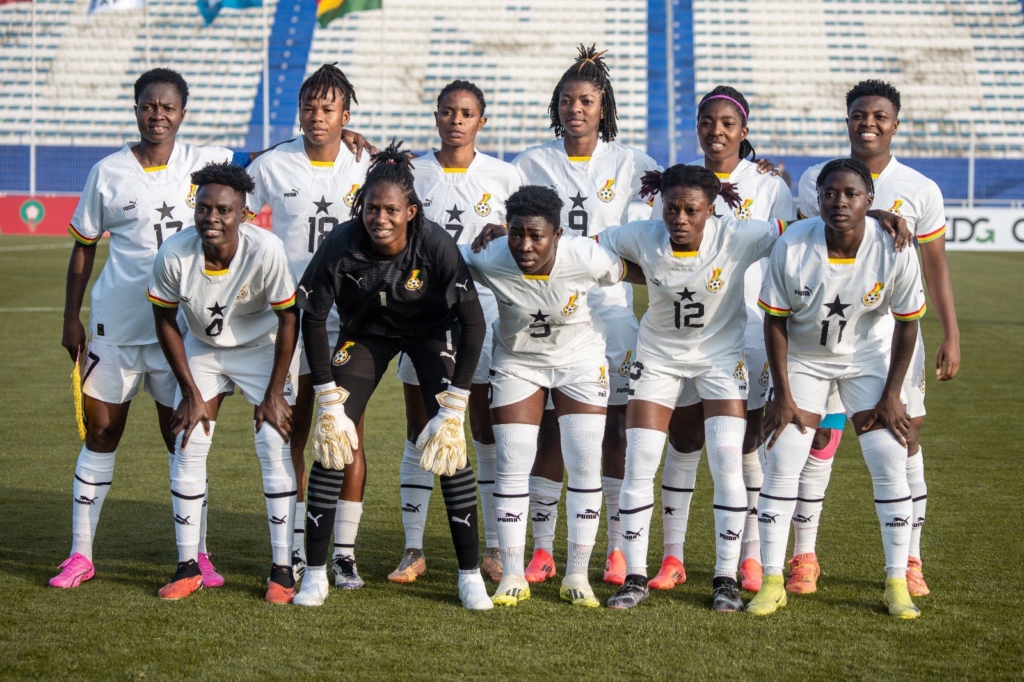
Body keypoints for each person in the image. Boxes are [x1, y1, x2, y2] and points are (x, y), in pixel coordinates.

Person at [51, 68, 248, 590]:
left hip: (179, 332)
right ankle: (80, 555)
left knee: (183, 441)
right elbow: (83, 247)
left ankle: (198, 555)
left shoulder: (204, 163)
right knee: (101, 433)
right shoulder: (108, 172)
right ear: (136, 108)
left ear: (182, 112)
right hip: (116, 325)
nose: (157, 114)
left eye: (168, 107)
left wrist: (343, 138)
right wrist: (71, 317)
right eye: (148, 105)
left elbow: (274, 156)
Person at [291, 142, 491, 610]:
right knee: (333, 437)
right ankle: (315, 573)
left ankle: (469, 576)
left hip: (428, 334)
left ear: (411, 211)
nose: (379, 218)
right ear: (360, 206)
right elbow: (313, 317)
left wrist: (455, 405)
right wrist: (327, 398)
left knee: (448, 444)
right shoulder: (342, 241)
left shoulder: (435, 243)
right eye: (371, 208)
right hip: (365, 336)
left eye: (391, 210)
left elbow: (474, 323)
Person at [790, 80, 959, 596]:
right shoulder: (815, 180)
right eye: (859, 114)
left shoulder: (921, 189)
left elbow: (935, 267)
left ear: (895, 124)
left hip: (892, 340)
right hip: (824, 337)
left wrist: (951, 333)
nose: (869, 123)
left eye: (880, 116)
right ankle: (804, 557)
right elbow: (802, 249)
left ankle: (910, 560)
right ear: (847, 121)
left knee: (903, 438)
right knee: (821, 439)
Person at [597, 164, 786, 611]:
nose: (679, 219)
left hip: (720, 360)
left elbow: (805, 230)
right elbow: (584, 247)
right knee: (640, 461)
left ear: (711, 208)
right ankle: (635, 577)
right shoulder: (641, 235)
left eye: (691, 210)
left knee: (727, 462)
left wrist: (876, 218)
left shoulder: (740, 235)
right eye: (671, 209)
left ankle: (725, 579)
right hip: (658, 359)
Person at [749, 158, 926, 619]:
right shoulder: (792, 244)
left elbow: (907, 324)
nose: (840, 202)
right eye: (830, 193)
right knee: (783, 456)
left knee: (890, 456)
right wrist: (783, 395)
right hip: (805, 360)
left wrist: (892, 394)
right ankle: (772, 581)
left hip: (867, 361)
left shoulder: (894, 246)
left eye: (851, 194)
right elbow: (775, 321)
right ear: (818, 198)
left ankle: (896, 582)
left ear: (870, 200)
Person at [510, 44, 661, 586]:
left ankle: (617, 548)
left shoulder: (634, 164)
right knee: (552, 429)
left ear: (604, 108)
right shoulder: (530, 163)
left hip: (611, 313)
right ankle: (542, 548)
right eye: (567, 100)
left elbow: (683, 204)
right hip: (548, 312)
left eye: (587, 101)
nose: (576, 109)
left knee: (616, 427)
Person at [648, 86, 797, 595]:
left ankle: (749, 558)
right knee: (685, 438)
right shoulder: (679, 179)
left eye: (728, 123)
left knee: (746, 445)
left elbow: (791, 245)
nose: (717, 132)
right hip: (686, 333)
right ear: (697, 127)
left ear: (743, 130)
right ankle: (672, 557)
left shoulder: (768, 184)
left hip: (751, 330)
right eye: (707, 122)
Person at [461, 185, 635, 608]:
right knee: (512, 462)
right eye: (516, 233)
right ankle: (512, 574)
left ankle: (577, 574)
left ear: (558, 234)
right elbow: (438, 256)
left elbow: (634, 271)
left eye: (536, 236)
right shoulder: (488, 255)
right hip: (518, 362)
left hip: (580, 361)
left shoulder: (586, 256)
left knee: (584, 463)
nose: (525, 245)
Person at [147, 162, 300, 603]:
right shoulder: (174, 253)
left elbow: (289, 319)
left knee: (273, 441)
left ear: (243, 214)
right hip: (202, 348)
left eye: (223, 210)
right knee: (188, 440)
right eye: (203, 208)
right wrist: (190, 393)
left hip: (261, 347)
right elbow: (164, 320)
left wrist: (274, 393)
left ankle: (283, 569)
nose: (211, 218)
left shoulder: (266, 249)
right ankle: (187, 566)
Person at [389, 80, 521, 585]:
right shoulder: (413, 172)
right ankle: (412, 548)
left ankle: (493, 547)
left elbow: (526, 233)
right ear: (437, 117)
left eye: (466, 113)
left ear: (481, 121)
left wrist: (507, 231)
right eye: (448, 111)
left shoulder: (504, 175)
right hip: (420, 315)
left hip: (482, 316)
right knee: (420, 429)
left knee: (484, 432)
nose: (456, 120)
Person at [246, 63, 371, 586]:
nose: (317, 117)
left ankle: (344, 553)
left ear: (346, 114)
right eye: (309, 108)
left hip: (352, 319)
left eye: (328, 109)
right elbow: (235, 214)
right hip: (291, 318)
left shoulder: (365, 163)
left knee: (349, 431)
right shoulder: (273, 163)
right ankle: (297, 547)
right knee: (293, 430)